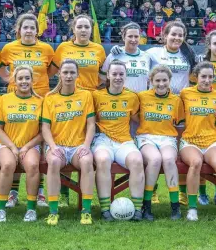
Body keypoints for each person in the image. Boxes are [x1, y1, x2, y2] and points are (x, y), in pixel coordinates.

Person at [178, 62, 216, 221]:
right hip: (190, 140)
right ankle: (192, 208)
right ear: (196, 77)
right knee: (195, 163)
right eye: (203, 76)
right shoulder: (185, 93)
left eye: (210, 77)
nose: (207, 80)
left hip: (212, 140)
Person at [42, 59, 96, 225]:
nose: (69, 75)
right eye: (65, 72)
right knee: (53, 162)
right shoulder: (50, 98)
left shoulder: (85, 95)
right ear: (59, 74)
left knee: (87, 161)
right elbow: (45, 127)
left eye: (72, 72)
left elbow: (91, 124)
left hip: (78, 145)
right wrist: (52, 147)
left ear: (78, 75)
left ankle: (86, 211)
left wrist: (86, 146)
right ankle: (53, 211)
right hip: (57, 145)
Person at [92, 60, 145, 221]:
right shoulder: (96, 95)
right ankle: (105, 209)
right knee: (103, 160)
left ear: (126, 76)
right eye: (114, 74)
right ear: (107, 75)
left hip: (124, 141)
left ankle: (137, 209)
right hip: (102, 140)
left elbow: (138, 119)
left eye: (121, 74)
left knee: (136, 161)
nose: (118, 77)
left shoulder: (131, 97)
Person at [0, 65, 44, 222]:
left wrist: (27, 147)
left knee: (33, 166)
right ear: (14, 81)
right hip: (7, 144)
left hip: (30, 145)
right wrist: (13, 147)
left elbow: (43, 131)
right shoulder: (4, 99)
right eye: (20, 78)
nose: (24, 81)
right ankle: (0, 209)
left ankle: (31, 209)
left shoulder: (40, 101)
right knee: (8, 164)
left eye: (27, 78)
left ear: (32, 80)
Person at [136, 65, 184, 220]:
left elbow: (180, 124)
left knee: (169, 160)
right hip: (146, 137)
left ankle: (175, 207)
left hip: (167, 138)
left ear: (170, 81)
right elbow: (134, 116)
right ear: (151, 80)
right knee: (155, 159)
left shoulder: (176, 100)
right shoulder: (142, 96)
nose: (161, 83)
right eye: (157, 80)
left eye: (164, 80)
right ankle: (147, 205)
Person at [1, 14, 54, 95]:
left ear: (37, 31)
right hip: (15, 95)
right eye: (25, 27)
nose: (29, 31)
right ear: (19, 30)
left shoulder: (47, 49)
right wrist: (11, 79)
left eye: (32, 28)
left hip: (40, 95)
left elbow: (52, 71)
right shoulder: (9, 48)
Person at [50, 14, 106, 91]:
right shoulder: (63, 47)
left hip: (91, 95)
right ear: (73, 29)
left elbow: (104, 76)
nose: (83, 30)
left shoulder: (99, 49)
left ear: (91, 29)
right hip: (69, 95)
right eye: (79, 27)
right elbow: (51, 72)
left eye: (87, 27)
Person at [100, 23, 151, 93]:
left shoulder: (146, 56)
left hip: (141, 101)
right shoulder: (114, 55)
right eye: (130, 36)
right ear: (123, 37)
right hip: (120, 101)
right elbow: (102, 79)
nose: (133, 40)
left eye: (136, 36)